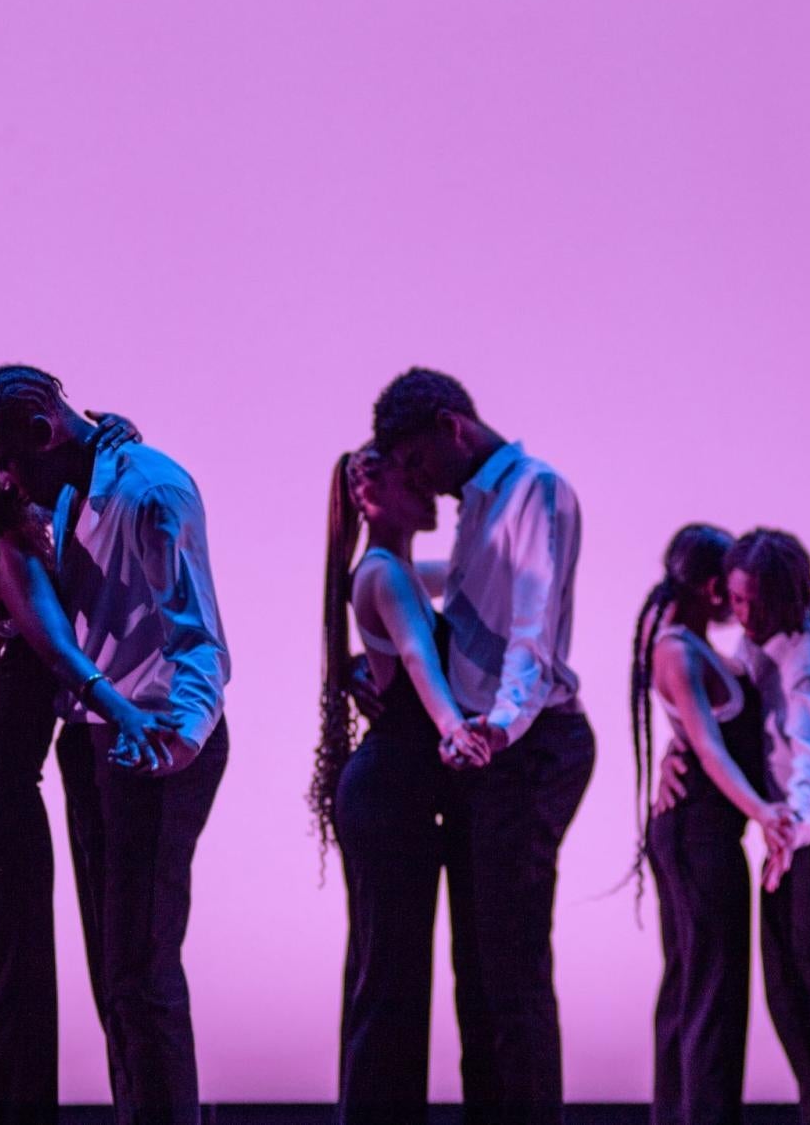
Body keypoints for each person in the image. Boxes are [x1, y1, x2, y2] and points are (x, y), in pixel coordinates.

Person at [0, 365, 231, 1125]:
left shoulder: (147, 492)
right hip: (96, 744)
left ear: (45, 434)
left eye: (9, 462)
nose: (7, 482)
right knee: (115, 980)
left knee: (140, 977)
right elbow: (81, 613)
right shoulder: (75, 487)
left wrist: (175, 741)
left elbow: (200, 641)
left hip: (156, 742)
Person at [0, 390, 172, 1125]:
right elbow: (57, 647)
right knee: (7, 986)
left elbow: (11, 635)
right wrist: (124, 710)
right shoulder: (11, 544)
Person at [370, 367, 593, 1125]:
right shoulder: (481, 503)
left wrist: (496, 727)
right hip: (495, 750)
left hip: (529, 745)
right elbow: (468, 601)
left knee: (511, 971)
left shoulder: (535, 490)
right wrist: (380, 570)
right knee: (478, 971)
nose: (417, 482)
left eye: (414, 464)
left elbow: (530, 635)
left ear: (450, 426)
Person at [663, 529, 810, 1125]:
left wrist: (788, 828)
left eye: (758, 604)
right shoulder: (766, 642)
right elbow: (726, 704)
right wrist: (679, 745)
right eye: (736, 601)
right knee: (789, 1001)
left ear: (794, 597)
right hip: (800, 839)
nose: (745, 616)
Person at [315, 444, 490, 1125]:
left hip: (401, 791)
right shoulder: (382, 575)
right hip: (389, 792)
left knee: (392, 981)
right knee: (387, 985)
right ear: (369, 493)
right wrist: (453, 727)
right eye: (410, 480)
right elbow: (418, 655)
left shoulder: (402, 572)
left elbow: (469, 582)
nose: (428, 492)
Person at [631, 524, 792, 1125]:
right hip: (698, 836)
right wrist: (764, 811)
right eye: (733, 588)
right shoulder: (675, 648)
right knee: (709, 999)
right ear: (709, 587)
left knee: (694, 991)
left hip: (699, 833)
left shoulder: (694, 645)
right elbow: (708, 748)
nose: (741, 600)